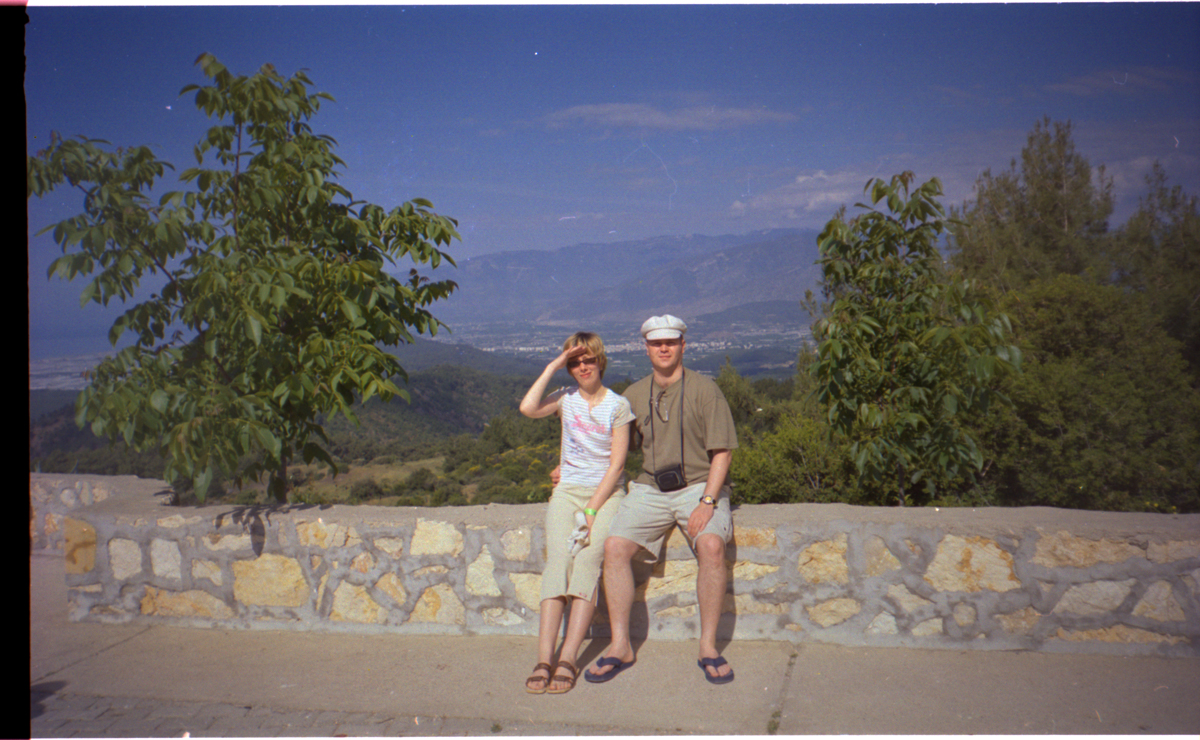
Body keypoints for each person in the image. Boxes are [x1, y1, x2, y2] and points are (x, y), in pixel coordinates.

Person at [584, 314, 739, 686]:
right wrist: (569, 470)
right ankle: (621, 645)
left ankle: (708, 647)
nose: (664, 348)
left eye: (670, 342)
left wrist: (707, 501)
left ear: (683, 345)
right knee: (615, 547)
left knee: (712, 546)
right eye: (656, 343)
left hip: (699, 486)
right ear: (646, 348)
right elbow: (612, 449)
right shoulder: (634, 395)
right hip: (649, 488)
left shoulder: (705, 390)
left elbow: (722, 452)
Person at [518, 332, 633, 695]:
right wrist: (553, 365)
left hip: (606, 495)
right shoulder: (564, 399)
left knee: (586, 563)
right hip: (567, 491)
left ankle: (568, 658)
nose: (583, 367)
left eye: (588, 359)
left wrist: (592, 509)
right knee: (557, 564)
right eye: (575, 363)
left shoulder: (618, 406)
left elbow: (616, 466)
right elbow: (528, 408)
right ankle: (543, 659)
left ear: (601, 361)